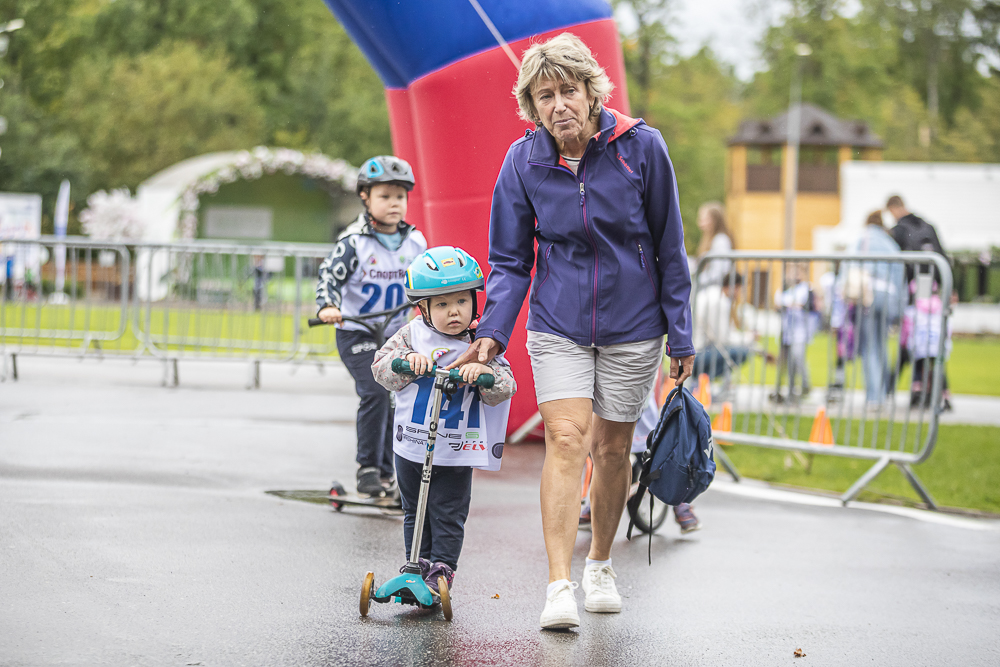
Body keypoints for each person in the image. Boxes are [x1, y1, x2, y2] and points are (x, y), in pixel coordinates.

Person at [449, 33, 695, 630]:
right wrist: (491, 334)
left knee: (612, 448)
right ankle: (559, 584)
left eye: (568, 91)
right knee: (566, 437)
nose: (558, 105)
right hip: (557, 323)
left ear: (591, 92)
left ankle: (601, 565)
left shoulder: (642, 147)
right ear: (532, 107)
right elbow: (510, 262)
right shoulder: (523, 161)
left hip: (634, 327)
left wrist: (680, 335)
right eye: (544, 96)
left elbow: (669, 247)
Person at [371, 246, 516, 595]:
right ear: (423, 308)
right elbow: (380, 367)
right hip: (412, 441)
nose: (454, 312)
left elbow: (506, 386)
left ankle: (441, 571)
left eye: (461, 302)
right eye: (441, 304)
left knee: (447, 511)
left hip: (455, 446)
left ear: (474, 303)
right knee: (414, 508)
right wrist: (405, 361)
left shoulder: (481, 343)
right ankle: (415, 566)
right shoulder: (411, 335)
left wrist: (482, 373)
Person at [315, 156, 427, 497]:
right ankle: (368, 468)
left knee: (400, 395)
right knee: (376, 390)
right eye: (385, 196)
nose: (394, 204)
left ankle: (389, 469)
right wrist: (328, 306)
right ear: (365, 197)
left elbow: (427, 285)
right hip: (357, 332)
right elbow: (328, 278)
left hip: (395, 335)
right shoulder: (354, 242)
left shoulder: (416, 242)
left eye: (400, 197)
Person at [885, 195, 953, 409]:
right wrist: (950, 289)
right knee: (929, 345)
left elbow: (897, 266)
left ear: (893, 208)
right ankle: (936, 392)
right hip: (933, 292)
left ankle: (916, 390)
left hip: (915, 292)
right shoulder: (927, 226)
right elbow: (942, 256)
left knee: (916, 344)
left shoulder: (900, 230)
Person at [852, 210, 903, 409]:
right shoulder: (890, 244)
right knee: (882, 346)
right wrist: (898, 309)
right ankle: (884, 393)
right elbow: (900, 275)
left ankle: (874, 396)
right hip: (889, 295)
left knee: (869, 347)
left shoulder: (862, 240)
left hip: (868, 294)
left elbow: (851, 266)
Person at [693, 273, 752, 393]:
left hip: (694, 351)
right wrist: (749, 338)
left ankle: (701, 384)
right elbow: (724, 338)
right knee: (743, 352)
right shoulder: (719, 301)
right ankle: (700, 384)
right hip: (699, 353)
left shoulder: (711, 294)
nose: (740, 294)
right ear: (734, 287)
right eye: (740, 290)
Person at [772, 263, 819, 403]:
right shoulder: (785, 289)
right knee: (787, 363)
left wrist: (791, 305)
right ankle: (788, 392)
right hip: (786, 332)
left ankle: (805, 385)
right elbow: (777, 305)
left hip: (801, 332)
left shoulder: (807, 289)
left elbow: (808, 306)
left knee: (798, 358)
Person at [694, 202, 735, 287]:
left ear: (714, 221)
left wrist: (697, 279)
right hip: (708, 288)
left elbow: (720, 271)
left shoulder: (721, 240)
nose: (700, 223)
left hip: (714, 290)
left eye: (704, 219)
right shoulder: (708, 240)